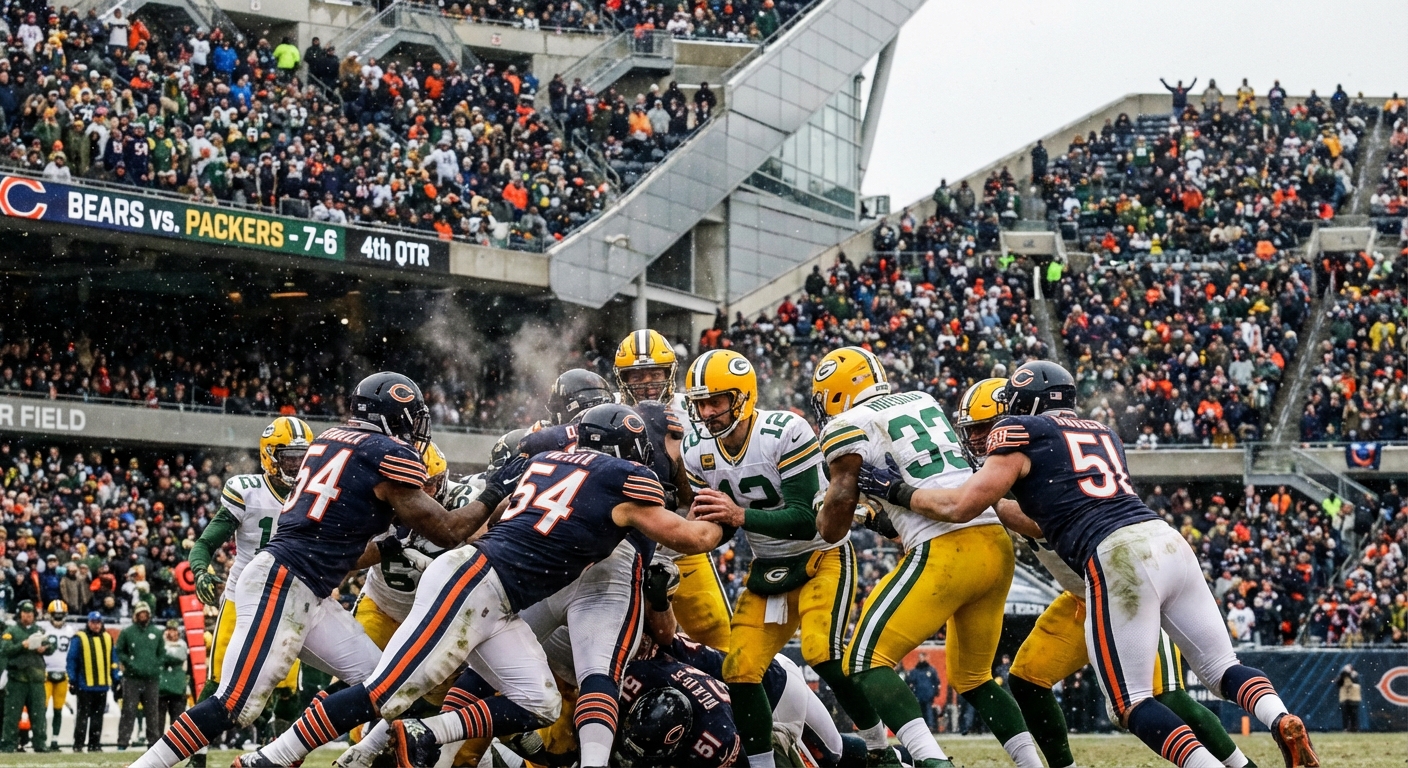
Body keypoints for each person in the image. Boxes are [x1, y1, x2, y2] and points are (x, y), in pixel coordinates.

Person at [863, 361, 1320, 768]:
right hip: (1165, 542)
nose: (982, 436)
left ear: (1021, 407)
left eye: (992, 423)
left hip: (1116, 563)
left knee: (1132, 701)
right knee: (1222, 667)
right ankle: (1279, 717)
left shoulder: (1020, 433)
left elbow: (969, 506)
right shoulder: (1101, 431)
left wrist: (896, 491)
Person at [243, 403, 728, 768]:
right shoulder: (620, 480)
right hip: (477, 585)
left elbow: (485, 521)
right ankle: (274, 757)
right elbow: (692, 538)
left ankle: (425, 735)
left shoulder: (546, 466)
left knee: (537, 701)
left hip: (487, 588)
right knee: (384, 692)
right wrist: (731, 520)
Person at [127, 372, 498, 768]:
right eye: (409, 417)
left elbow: (350, 547)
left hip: (309, 590)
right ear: (391, 417)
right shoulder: (385, 454)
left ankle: (275, 758)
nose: (415, 428)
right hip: (283, 583)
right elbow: (447, 530)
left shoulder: (328, 441)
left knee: (385, 684)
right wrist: (497, 489)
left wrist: (393, 541)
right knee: (236, 702)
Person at [942, 381, 1256, 768]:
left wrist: (980, 502)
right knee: (1027, 679)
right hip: (1083, 594)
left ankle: (1242, 765)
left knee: (1168, 695)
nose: (975, 439)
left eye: (982, 428)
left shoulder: (1036, 456)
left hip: (1126, 581)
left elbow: (1036, 522)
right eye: (971, 431)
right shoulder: (1016, 462)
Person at [815, 365, 1038, 768]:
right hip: (994, 544)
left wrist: (831, 504)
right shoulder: (921, 400)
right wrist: (875, 515)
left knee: (863, 662)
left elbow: (832, 530)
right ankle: (1032, 764)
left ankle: (931, 760)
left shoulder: (847, 424)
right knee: (975, 677)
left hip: (945, 551)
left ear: (832, 394)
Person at [682, 349, 887, 768]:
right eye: (700, 403)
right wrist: (696, 535)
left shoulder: (784, 430)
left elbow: (808, 520)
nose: (707, 412)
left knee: (822, 652)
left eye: (716, 400)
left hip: (820, 555)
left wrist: (738, 514)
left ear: (743, 397)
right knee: (738, 669)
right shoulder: (694, 448)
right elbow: (720, 524)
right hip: (768, 565)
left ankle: (879, 749)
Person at [184, 418, 314, 768]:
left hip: (289, 598)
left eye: (303, 458)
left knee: (287, 688)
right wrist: (200, 571)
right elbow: (205, 543)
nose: (298, 467)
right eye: (290, 459)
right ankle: (196, 758)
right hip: (242, 597)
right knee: (216, 683)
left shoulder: (315, 494)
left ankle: (280, 758)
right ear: (270, 457)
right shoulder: (248, 490)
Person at [615, 329, 733, 652]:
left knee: (718, 635)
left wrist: (676, 456)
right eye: (637, 375)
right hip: (626, 549)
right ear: (622, 379)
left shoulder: (694, 412)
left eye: (655, 373)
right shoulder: (608, 415)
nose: (647, 382)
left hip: (682, 542)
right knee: (633, 647)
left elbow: (696, 490)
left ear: (670, 374)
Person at [0, 600, 52, 752]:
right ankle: (8, 744)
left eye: (30, 613)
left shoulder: (39, 630)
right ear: (20, 614)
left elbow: (51, 646)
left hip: (36, 679)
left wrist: (45, 648)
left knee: (38, 714)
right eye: (24, 613)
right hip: (17, 679)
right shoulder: (12, 631)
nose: (27, 616)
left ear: (33, 615)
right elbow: (5, 649)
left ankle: (40, 743)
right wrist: (22, 646)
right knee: (12, 714)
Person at [116, 602, 165, 749]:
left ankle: (153, 743)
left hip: (151, 679)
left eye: (145, 613)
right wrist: (130, 664)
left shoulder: (156, 632)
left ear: (149, 615)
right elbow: (119, 651)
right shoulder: (127, 632)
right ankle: (123, 742)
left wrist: (155, 665)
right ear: (136, 615)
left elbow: (162, 653)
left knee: (152, 712)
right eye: (140, 613)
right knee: (129, 710)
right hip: (132, 678)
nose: (143, 616)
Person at [68, 611, 115, 753]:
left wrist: (116, 678)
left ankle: (94, 744)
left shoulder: (107, 638)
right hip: (85, 685)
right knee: (83, 716)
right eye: (93, 622)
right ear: (88, 623)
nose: (96, 625)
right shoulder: (80, 638)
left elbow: (113, 659)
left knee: (97, 718)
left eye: (98, 622)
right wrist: (72, 679)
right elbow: (72, 659)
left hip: (101, 685)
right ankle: (78, 744)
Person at [39, 601, 75, 751]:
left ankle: (54, 740)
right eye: (56, 615)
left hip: (63, 673)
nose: (58, 618)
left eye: (61, 615)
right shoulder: (43, 629)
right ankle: (40, 739)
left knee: (58, 709)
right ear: (50, 615)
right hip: (45, 673)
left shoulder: (70, 630)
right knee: (42, 708)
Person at [158, 621, 189, 731]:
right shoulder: (160, 643)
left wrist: (164, 652)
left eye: (174, 630)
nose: (172, 632)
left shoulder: (182, 644)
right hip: (162, 688)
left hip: (178, 687)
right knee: (158, 720)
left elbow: (178, 656)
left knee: (177, 721)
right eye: (169, 629)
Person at [907, 654, 941, 734]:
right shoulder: (915, 671)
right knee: (922, 711)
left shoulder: (930, 670)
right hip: (919, 694)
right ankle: (926, 726)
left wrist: (935, 692)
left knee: (927, 711)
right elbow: (910, 682)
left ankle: (929, 726)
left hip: (925, 694)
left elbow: (936, 682)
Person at [1335, 665, 1360, 732]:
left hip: (1353, 698)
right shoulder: (1342, 677)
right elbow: (1338, 683)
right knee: (1346, 715)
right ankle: (1346, 728)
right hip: (1345, 698)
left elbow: (1352, 683)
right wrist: (1343, 675)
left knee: (1353, 715)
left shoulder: (1355, 675)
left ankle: (1354, 728)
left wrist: (1348, 674)